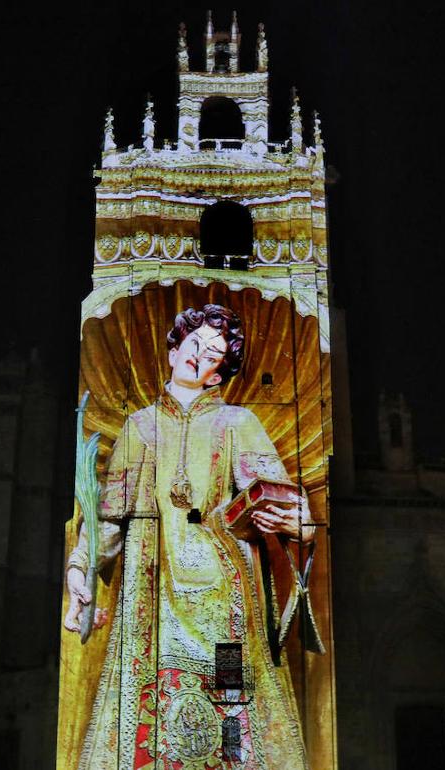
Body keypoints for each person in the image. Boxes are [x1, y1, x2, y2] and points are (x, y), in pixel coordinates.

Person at [64, 303, 312, 770]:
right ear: (174, 349)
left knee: (232, 704)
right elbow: (110, 519)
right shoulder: (139, 427)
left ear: (218, 374)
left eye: (212, 355)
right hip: (153, 597)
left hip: (224, 600)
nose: (199, 356)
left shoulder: (237, 424)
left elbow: (285, 503)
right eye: (194, 344)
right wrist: (80, 570)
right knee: (154, 709)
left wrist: (290, 520)